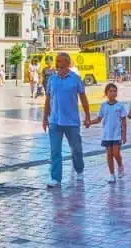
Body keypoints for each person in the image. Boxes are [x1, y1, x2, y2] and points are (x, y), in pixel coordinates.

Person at [42, 52, 90, 187]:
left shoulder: (75, 79)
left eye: (62, 61)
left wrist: (87, 115)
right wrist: (45, 118)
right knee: (55, 151)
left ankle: (79, 170)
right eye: (57, 61)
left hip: (72, 121)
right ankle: (56, 178)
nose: (59, 63)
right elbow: (47, 100)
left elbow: (83, 98)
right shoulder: (52, 79)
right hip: (55, 122)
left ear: (68, 63)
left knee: (76, 149)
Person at [85, 83, 127, 183]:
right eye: (110, 91)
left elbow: (124, 121)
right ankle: (112, 174)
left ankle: (120, 165)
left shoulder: (120, 106)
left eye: (114, 91)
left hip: (116, 134)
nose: (113, 93)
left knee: (116, 153)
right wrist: (89, 122)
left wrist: (124, 135)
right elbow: (99, 119)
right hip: (107, 135)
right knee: (109, 154)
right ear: (106, 93)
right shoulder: (103, 105)